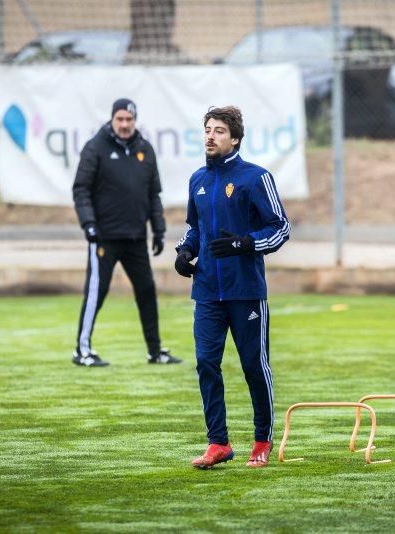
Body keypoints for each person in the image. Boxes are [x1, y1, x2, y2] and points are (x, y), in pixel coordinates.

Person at [174, 106, 290, 468]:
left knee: (254, 366)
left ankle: (262, 440)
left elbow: (280, 228)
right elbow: (195, 227)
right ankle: (218, 443)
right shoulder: (197, 179)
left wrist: (245, 243)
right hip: (207, 291)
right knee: (206, 363)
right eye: (207, 129)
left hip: (246, 292)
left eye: (219, 130)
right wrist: (185, 250)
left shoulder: (256, 178)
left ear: (235, 138)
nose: (210, 136)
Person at [71, 97, 182, 367]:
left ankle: (155, 351)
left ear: (135, 121)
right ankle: (82, 350)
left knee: (147, 291)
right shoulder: (95, 147)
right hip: (104, 237)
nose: (124, 124)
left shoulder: (145, 149)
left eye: (129, 120)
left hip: (135, 238)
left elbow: (153, 194)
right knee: (97, 292)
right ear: (112, 119)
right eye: (119, 119)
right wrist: (89, 225)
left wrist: (158, 230)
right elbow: (81, 189)